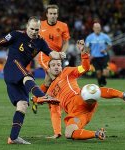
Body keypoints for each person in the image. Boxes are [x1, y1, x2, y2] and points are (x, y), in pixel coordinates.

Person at [0, 16, 65, 145]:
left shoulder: (41, 42)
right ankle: (41, 96)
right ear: (27, 27)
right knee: (27, 75)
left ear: (40, 29)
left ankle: (13, 138)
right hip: (12, 67)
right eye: (32, 29)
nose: (34, 32)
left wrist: (59, 55)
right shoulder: (16, 35)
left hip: (18, 75)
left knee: (22, 105)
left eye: (37, 29)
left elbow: (52, 54)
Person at [37, 39, 125, 140]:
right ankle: (96, 134)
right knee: (69, 133)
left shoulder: (67, 71)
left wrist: (84, 52)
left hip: (81, 100)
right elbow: (55, 112)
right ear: (48, 69)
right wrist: (57, 132)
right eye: (53, 65)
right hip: (77, 114)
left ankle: (123, 95)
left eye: (59, 64)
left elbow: (85, 67)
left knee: (90, 90)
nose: (57, 67)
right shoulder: (50, 91)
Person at [32, 4, 70, 139]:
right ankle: (49, 100)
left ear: (57, 15)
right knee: (54, 76)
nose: (53, 16)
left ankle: (37, 99)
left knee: (49, 81)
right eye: (51, 13)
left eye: (55, 14)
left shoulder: (63, 26)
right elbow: (33, 38)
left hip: (57, 56)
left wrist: (62, 53)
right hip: (45, 56)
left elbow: (66, 42)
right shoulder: (40, 25)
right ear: (46, 15)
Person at [85, 22, 112, 87]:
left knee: (106, 73)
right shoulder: (89, 37)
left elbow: (110, 44)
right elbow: (87, 47)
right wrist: (89, 55)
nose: (97, 29)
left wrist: (105, 50)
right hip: (95, 57)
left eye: (98, 27)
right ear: (93, 28)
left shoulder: (105, 36)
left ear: (100, 28)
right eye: (96, 28)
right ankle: (101, 85)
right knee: (98, 73)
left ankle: (103, 81)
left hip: (104, 56)